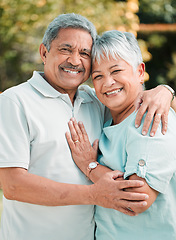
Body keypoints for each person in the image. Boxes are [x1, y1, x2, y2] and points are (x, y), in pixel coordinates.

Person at [0, 13, 175, 240]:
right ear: (44, 52)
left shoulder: (95, 100)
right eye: (66, 49)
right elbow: (13, 185)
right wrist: (93, 194)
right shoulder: (16, 101)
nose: (75, 60)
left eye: (84, 53)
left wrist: (164, 91)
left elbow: (128, 96)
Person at [66, 30, 176, 239]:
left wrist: (90, 167)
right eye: (98, 76)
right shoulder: (110, 119)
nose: (108, 83)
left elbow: (137, 199)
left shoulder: (150, 119)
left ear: (139, 71)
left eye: (116, 71)